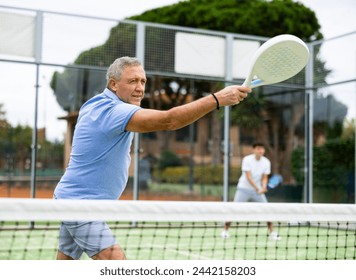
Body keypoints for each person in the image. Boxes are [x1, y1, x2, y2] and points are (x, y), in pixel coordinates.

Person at [53, 56, 251, 260]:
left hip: (72, 199)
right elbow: (169, 120)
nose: (140, 88)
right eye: (132, 81)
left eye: (143, 81)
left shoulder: (94, 104)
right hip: (82, 206)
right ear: (113, 84)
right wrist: (217, 99)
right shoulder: (113, 111)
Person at [221, 142, 281, 241]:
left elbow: (265, 177)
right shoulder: (247, 160)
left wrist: (264, 187)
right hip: (243, 189)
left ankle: (272, 233)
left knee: (267, 210)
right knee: (234, 209)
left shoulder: (266, 162)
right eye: (258, 149)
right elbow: (248, 176)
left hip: (257, 191)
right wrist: (258, 188)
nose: (260, 151)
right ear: (254, 150)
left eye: (262, 149)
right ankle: (225, 231)